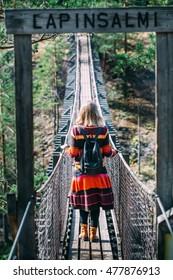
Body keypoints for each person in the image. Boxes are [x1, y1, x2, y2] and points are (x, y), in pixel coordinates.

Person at [62, 101, 118, 242]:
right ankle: (94, 234)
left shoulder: (75, 130)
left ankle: (84, 233)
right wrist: (115, 152)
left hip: (81, 175)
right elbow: (107, 152)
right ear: (96, 113)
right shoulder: (103, 130)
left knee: (83, 204)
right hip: (99, 175)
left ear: (82, 113)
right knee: (96, 204)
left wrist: (66, 149)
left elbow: (74, 153)